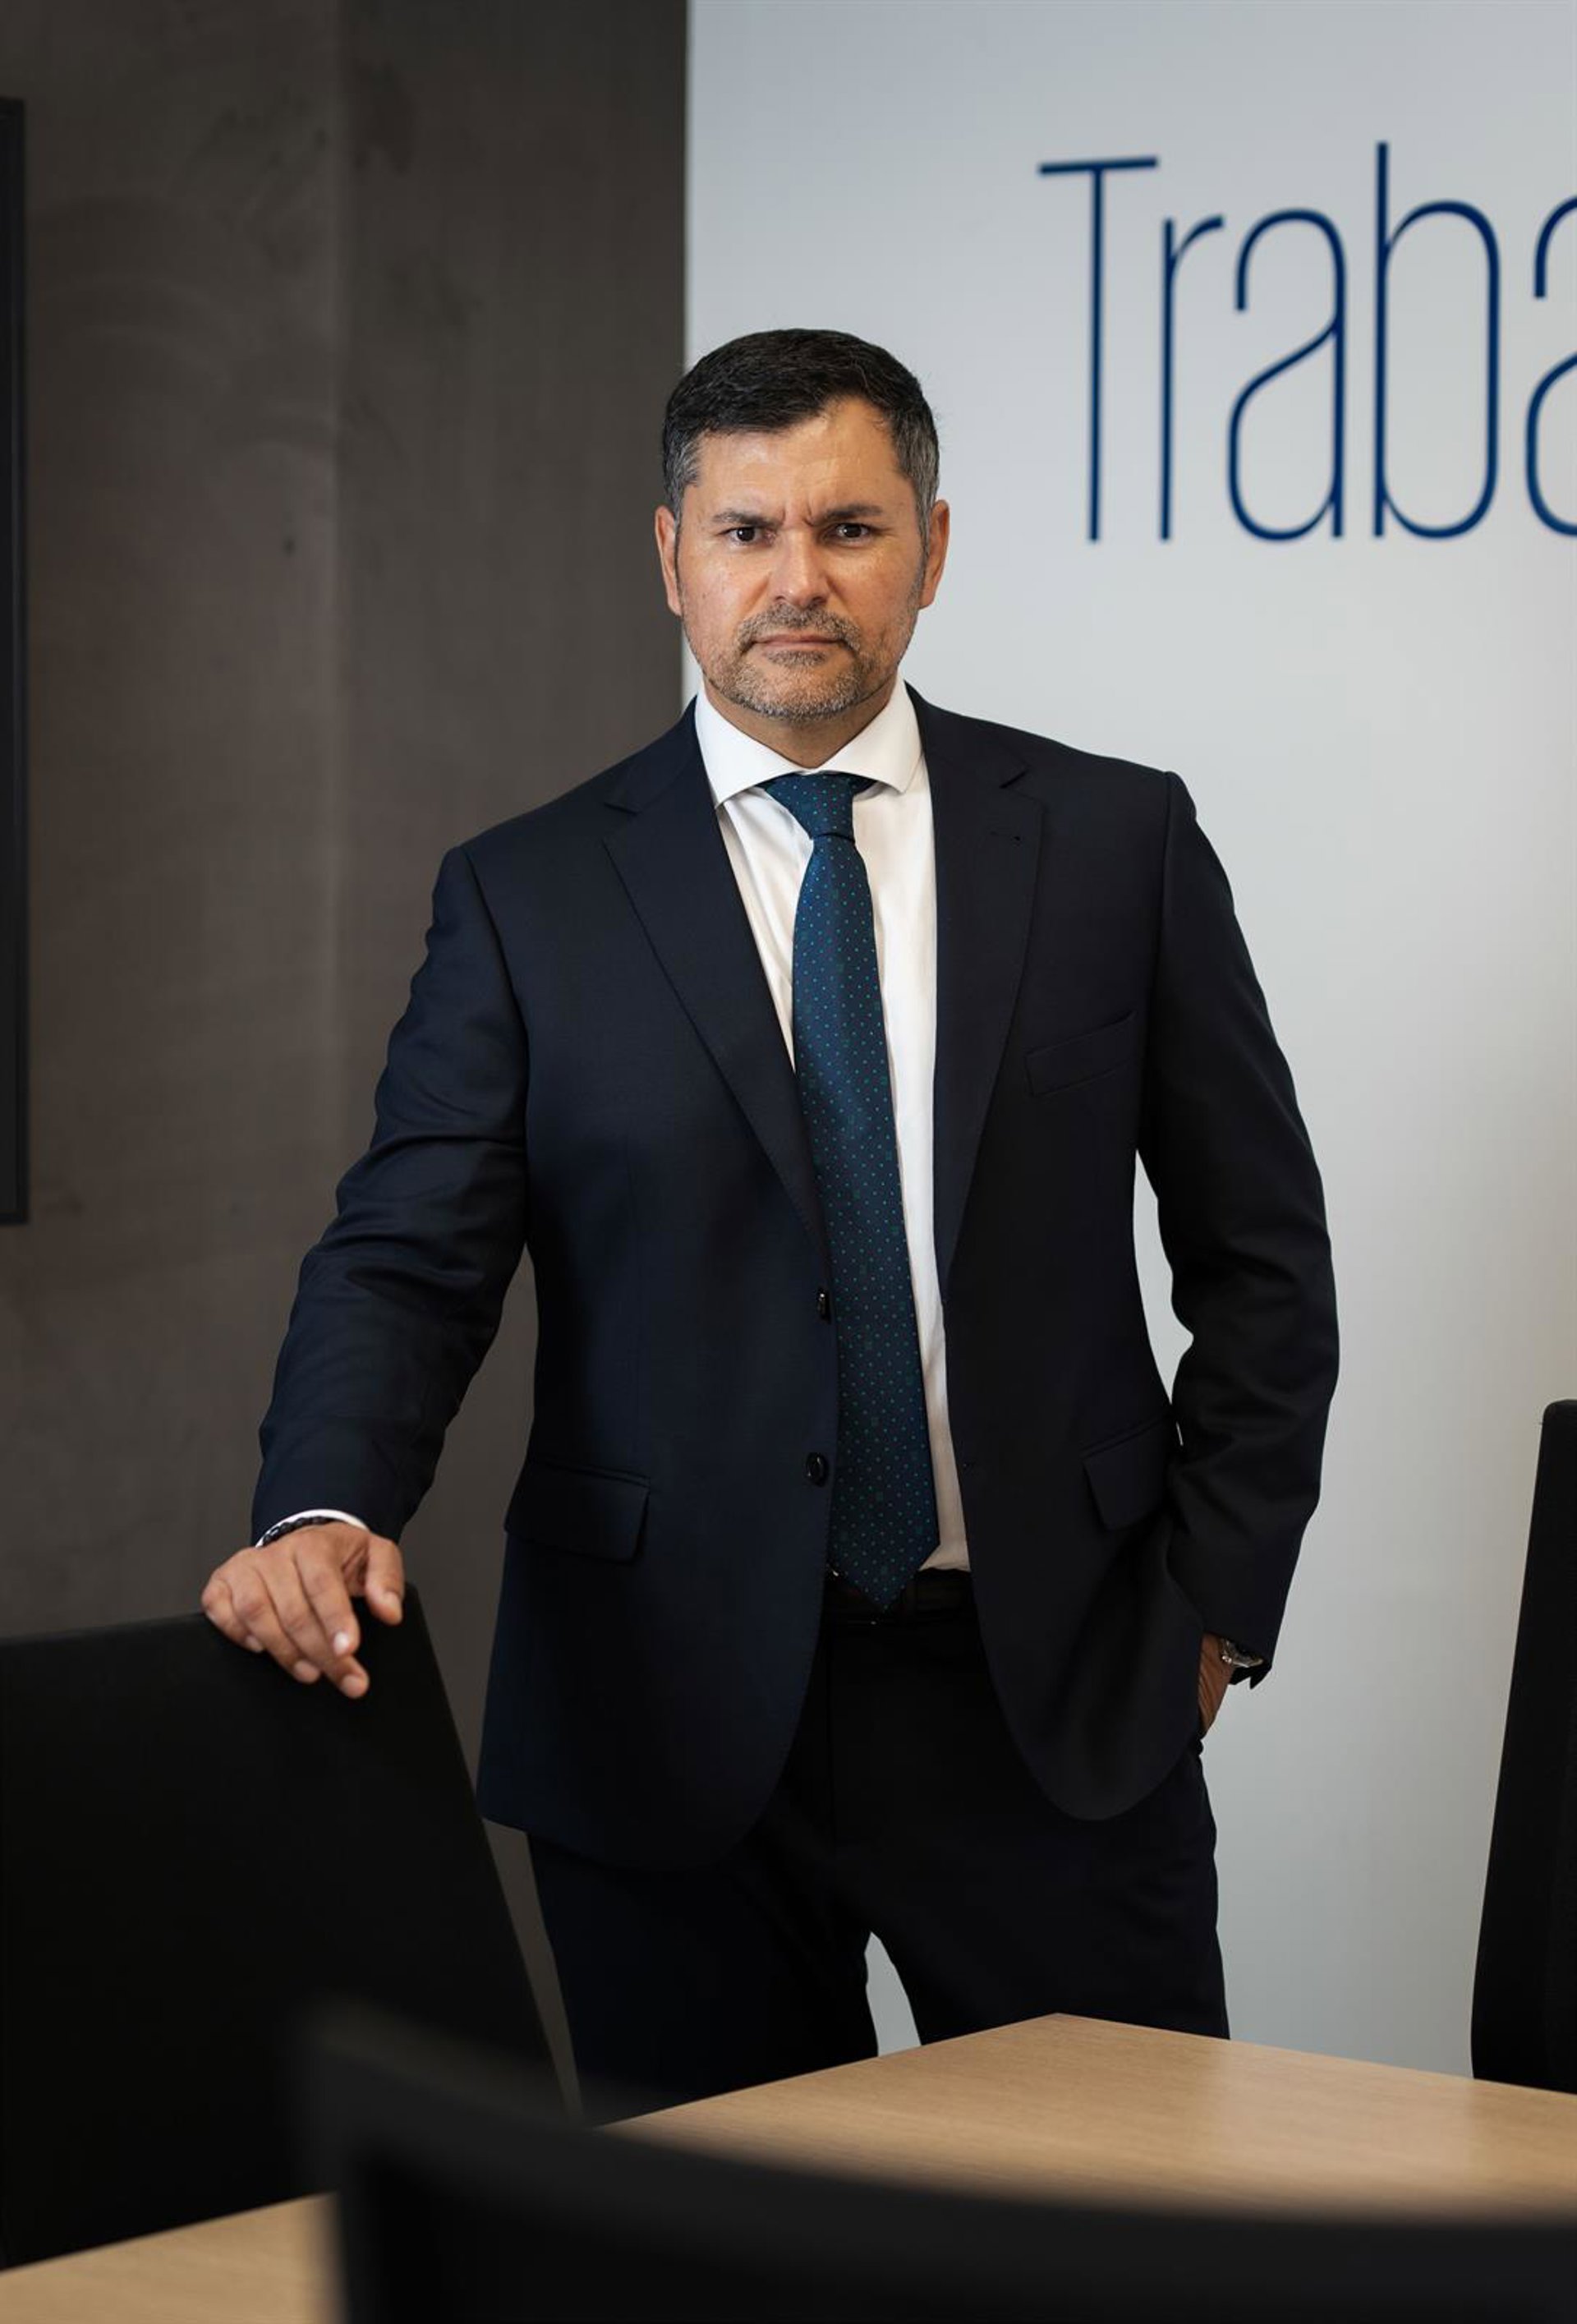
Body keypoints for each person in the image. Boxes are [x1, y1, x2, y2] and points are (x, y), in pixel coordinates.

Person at [201, 328, 1338, 2112]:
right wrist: (326, 1499)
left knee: (1115, 2225)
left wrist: (1215, 1607)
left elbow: (1263, 1255)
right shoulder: (526, 895)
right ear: (673, 557)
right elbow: (409, 1252)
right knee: (711, 2244)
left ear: (932, 550)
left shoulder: (1115, 841)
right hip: (660, 1714)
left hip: (1053, 1694)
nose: (796, 577)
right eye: (746, 530)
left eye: (849, 526)